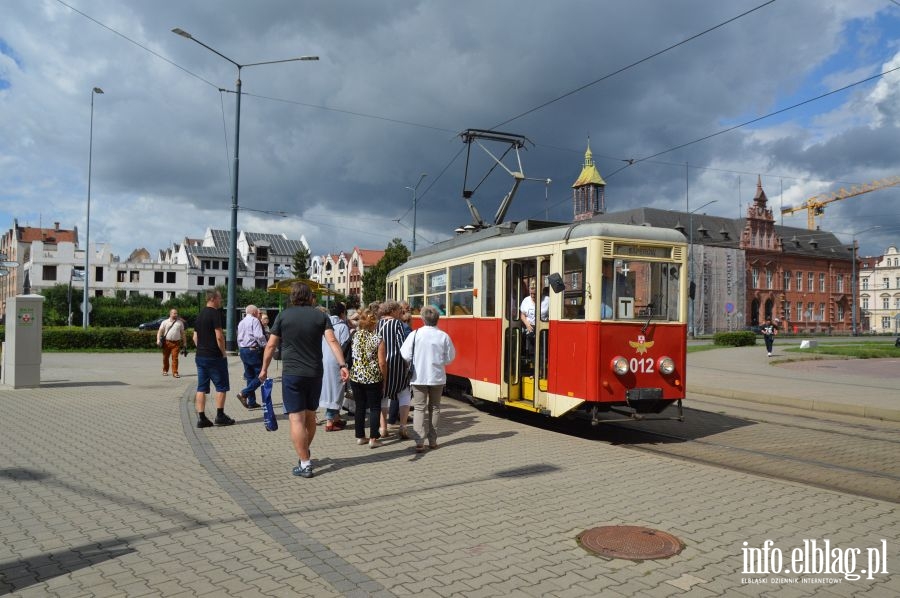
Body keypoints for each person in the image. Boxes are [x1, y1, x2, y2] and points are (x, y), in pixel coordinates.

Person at [259, 282, 348, 479]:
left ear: (292, 296)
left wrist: (264, 368)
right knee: (310, 416)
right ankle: (304, 453)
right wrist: (343, 365)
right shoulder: (320, 315)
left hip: (292, 373)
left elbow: (271, 345)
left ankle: (305, 462)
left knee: (296, 419)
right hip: (315, 373)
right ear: (310, 297)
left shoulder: (283, 316)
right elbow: (332, 341)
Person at [400, 305, 456, 453]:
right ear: (437, 319)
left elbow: (405, 354)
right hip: (437, 377)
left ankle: (419, 441)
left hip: (418, 377)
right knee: (435, 408)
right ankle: (432, 441)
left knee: (419, 408)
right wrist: (440, 361)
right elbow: (450, 357)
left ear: (423, 319)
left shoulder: (415, 334)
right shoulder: (443, 336)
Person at [193, 290, 235, 428]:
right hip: (214, 357)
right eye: (220, 298)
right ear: (213, 298)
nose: (221, 301)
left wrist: (201, 348)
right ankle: (220, 415)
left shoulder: (200, 315)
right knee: (221, 386)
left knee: (201, 387)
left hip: (200, 356)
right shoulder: (214, 314)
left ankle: (201, 417)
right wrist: (223, 352)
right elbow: (219, 336)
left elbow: (195, 337)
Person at [348, 308, 387, 448]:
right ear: (373, 324)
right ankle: (373, 439)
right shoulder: (378, 339)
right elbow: (382, 362)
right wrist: (384, 379)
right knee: (375, 408)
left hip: (356, 377)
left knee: (360, 407)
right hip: (373, 378)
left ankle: (360, 437)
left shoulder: (355, 336)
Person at [378, 301, 412, 439]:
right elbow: (401, 345)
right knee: (404, 393)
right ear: (392, 311)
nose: (400, 313)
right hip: (397, 363)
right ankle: (403, 426)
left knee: (384, 395)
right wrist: (407, 363)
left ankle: (383, 428)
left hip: (381, 363)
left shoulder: (377, 324)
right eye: (399, 310)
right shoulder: (397, 324)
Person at [320, 302, 350, 431]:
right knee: (336, 390)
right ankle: (330, 421)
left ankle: (335, 418)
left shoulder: (323, 324)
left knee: (329, 389)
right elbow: (345, 345)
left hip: (324, 359)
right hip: (337, 360)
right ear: (342, 313)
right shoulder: (342, 326)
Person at [236, 305, 267, 409]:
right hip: (253, 350)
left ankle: (251, 402)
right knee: (261, 376)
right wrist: (265, 345)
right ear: (254, 312)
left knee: (249, 376)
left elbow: (238, 337)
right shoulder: (255, 320)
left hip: (243, 349)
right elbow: (259, 336)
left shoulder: (241, 322)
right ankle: (243, 393)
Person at [156, 308, 186, 378]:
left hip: (176, 343)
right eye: (174, 313)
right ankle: (165, 370)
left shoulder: (180, 323)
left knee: (175, 358)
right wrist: (158, 339)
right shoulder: (165, 322)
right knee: (165, 358)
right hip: (166, 342)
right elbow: (160, 331)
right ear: (170, 314)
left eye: (176, 313)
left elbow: (183, 333)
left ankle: (175, 373)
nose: (176, 314)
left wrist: (185, 343)